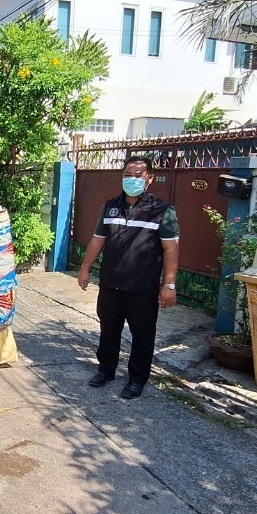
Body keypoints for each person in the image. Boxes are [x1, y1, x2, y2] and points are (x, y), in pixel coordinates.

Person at [75, 156, 179, 400]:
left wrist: (169, 283)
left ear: (149, 178)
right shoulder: (110, 206)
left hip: (142, 287)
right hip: (110, 283)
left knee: (142, 335)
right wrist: (85, 268)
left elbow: (171, 248)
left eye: (138, 175)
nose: (132, 179)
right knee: (108, 329)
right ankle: (105, 370)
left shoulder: (162, 210)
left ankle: (136, 379)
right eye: (127, 174)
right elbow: (98, 239)